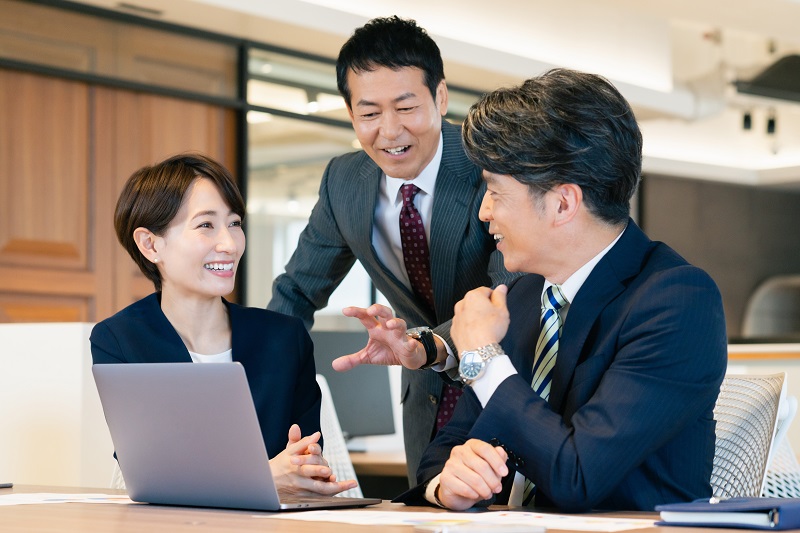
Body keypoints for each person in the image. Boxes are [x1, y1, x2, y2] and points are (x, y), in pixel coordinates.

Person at [386, 69, 728, 511]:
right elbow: (442, 451)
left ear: (563, 203)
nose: (484, 212)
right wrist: (448, 480)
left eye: (495, 191)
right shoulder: (525, 297)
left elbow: (578, 475)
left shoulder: (677, 301)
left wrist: (482, 359)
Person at [267, 16, 516, 484]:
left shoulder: (491, 166)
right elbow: (297, 291)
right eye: (369, 113)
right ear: (350, 114)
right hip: (423, 404)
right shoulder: (344, 182)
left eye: (406, 107)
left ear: (440, 98)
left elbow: (510, 291)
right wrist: (256, 381)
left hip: (505, 384)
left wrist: (425, 344)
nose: (390, 131)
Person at [90, 153, 357, 498]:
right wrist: (266, 475)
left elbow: (305, 467)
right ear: (150, 244)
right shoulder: (121, 338)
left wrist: (306, 468)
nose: (229, 244)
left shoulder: (285, 338)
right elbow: (151, 474)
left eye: (234, 223)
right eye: (206, 225)